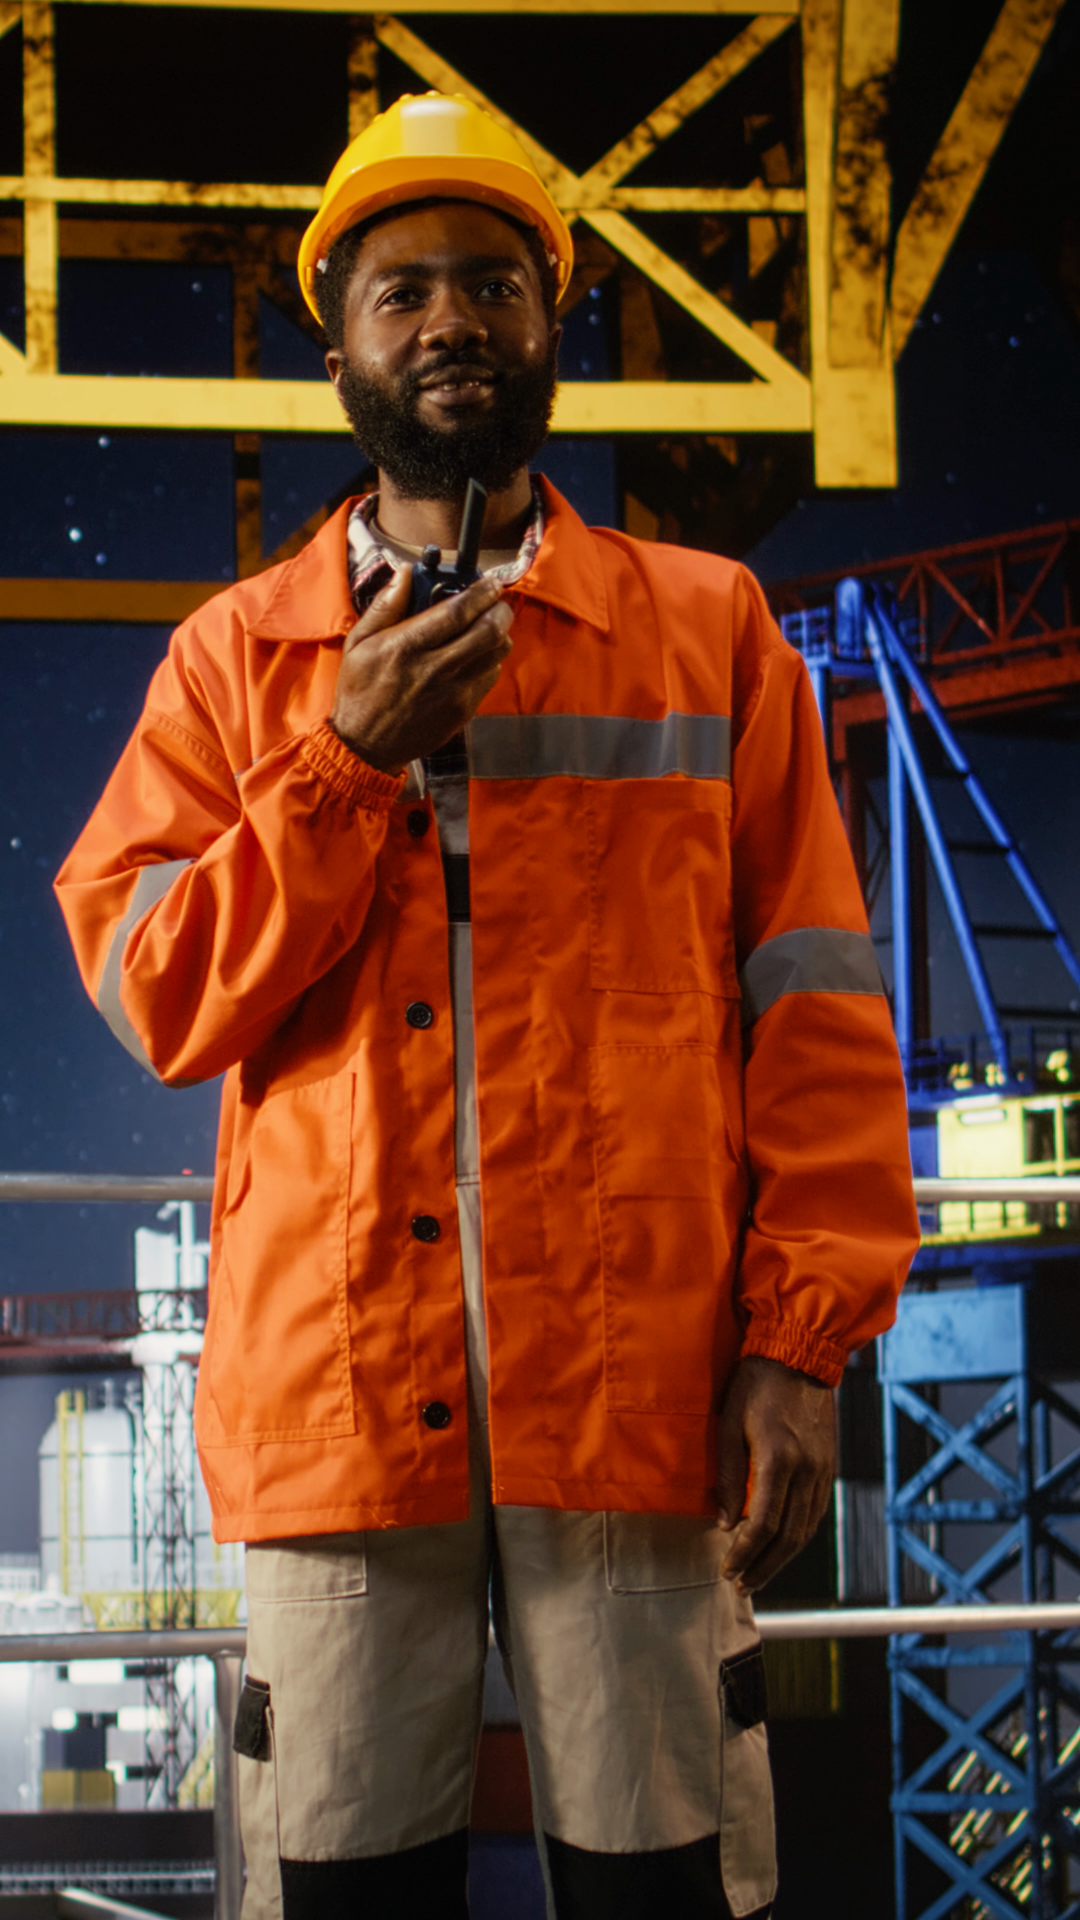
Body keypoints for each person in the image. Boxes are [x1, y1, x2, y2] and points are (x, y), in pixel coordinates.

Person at [56, 91, 919, 1920]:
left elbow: (822, 1012)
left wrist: (799, 1345)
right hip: (346, 1406)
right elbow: (158, 992)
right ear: (342, 356)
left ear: (550, 328)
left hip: (643, 1393)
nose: (449, 320)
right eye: (402, 294)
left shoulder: (711, 633)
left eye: (491, 286)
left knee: (665, 1890)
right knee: (346, 1891)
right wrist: (344, 761)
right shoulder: (234, 664)